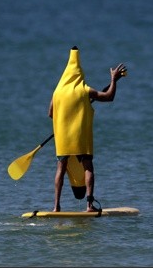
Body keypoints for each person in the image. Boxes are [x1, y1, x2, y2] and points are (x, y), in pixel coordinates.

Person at [48, 46, 126, 212]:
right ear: (79, 74)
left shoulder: (57, 93)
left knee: (61, 169)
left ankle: (56, 207)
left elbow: (50, 114)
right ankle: (89, 205)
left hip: (62, 137)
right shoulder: (84, 90)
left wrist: (65, 115)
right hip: (80, 136)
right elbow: (108, 97)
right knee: (88, 167)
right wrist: (113, 80)